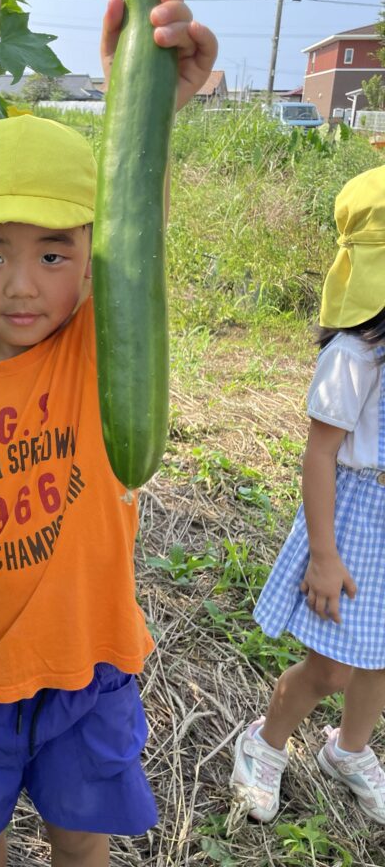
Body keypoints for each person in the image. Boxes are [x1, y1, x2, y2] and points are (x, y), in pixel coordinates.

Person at [0, 0, 217, 867]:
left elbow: (138, 232)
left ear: (91, 258)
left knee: (82, 847)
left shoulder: (97, 351)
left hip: (87, 667)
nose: (23, 285)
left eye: (54, 253)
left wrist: (152, 102)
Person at [231, 164, 385, 825]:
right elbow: (320, 455)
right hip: (356, 523)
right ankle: (264, 743)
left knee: (380, 660)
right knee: (330, 669)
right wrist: (324, 554)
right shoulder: (354, 354)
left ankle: (348, 750)